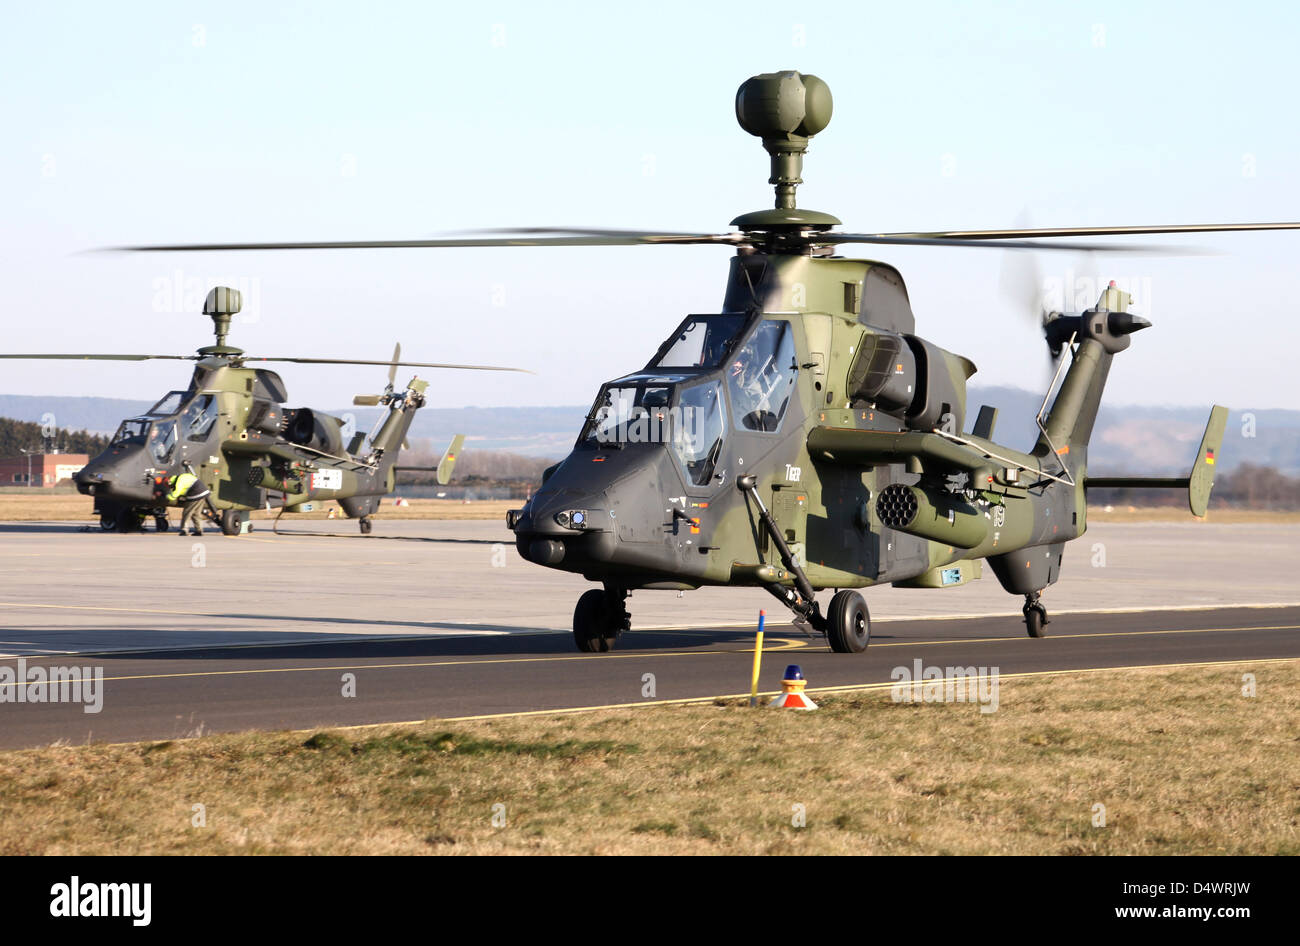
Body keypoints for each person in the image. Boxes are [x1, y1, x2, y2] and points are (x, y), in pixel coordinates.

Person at [165, 471, 212, 536]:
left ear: (170, 482)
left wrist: (164, 496)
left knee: (187, 512)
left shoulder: (179, 482)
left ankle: (184, 530)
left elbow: (174, 495)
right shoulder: (182, 477)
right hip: (203, 493)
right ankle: (199, 530)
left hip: (196, 494)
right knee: (196, 513)